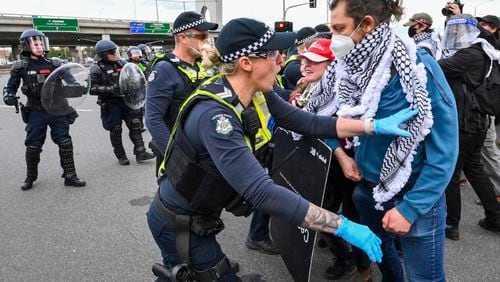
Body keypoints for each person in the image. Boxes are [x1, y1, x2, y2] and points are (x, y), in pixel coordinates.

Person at [146, 17, 420, 281]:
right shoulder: (216, 119)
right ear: (246, 63)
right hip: (179, 222)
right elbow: (262, 192)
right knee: (191, 274)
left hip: (202, 214)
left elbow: (309, 122)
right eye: (274, 53)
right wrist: (343, 226)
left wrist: (372, 126)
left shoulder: (255, 92)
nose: (282, 61)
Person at [305, 0, 459, 281]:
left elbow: (445, 150)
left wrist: (411, 208)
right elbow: (318, 117)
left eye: (339, 28)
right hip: (366, 192)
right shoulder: (346, 70)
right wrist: (341, 155)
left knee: (423, 277)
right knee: (385, 261)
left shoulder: (416, 70)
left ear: (367, 24)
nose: (334, 38)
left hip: (414, 198)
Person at [439, 14, 500, 239]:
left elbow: (437, 67)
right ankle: (494, 217)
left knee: (452, 174)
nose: (454, 36)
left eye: (457, 31)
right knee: (475, 169)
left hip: (465, 123)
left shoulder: (470, 54)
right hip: (478, 121)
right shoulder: (483, 51)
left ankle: (451, 225)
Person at [2, 29, 86, 190]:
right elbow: (9, 88)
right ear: (26, 45)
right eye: (35, 44)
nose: (39, 46)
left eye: (41, 43)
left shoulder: (55, 64)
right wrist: (9, 96)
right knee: (33, 146)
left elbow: (71, 81)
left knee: (65, 142)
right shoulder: (21, 67)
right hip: (36, 111)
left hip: (57, 109)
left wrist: (76, 88)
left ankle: (70, 175)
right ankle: (30, 177)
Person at [145, 11, 218, 176]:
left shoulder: (203, 65)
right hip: (182, 153)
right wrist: (177, 157)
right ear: (183, 38)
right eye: (201, 36)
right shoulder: (165, 69)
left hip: (204, 149)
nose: (206, 41)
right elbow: (153, 118)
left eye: (207, 36)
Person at [89, 39, 155, 165]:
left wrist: (139, 83)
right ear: (103, 54)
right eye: (112, 52)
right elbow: (91, 89)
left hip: (126, 100)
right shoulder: (96, 68)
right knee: (116, 129)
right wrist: (110, 89)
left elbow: (134, 77)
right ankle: (121, 155)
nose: (115, 54)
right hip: (111, 103)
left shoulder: (122, 63)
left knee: (135, 125)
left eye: (115, 51)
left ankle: (141, 152)